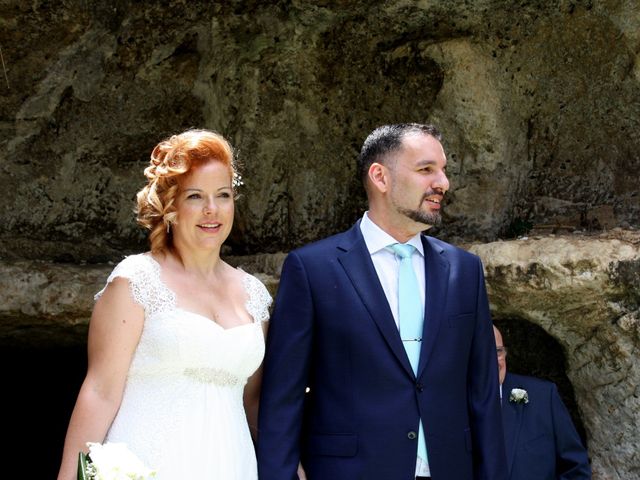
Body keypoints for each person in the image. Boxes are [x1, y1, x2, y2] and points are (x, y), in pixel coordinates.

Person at [258, 123, 507, 480]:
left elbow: (483, 393)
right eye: (426, 169)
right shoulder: (312, 269)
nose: (443, 183)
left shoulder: (464, 269)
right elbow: (283, 396)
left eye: (443, 169)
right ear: (380, 177)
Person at [57, 129, 272, 480]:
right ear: (170, 206)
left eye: (223, 195)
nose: (211, 210)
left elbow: (254, 403)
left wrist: (291, 465)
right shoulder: (136, 280)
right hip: (151, 464)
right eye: (194, 197)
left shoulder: (255, 294)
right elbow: (100, 392)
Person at [493, 325, 592, 479]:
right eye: (482, 353)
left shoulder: (542, 396)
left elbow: (576, 469)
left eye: (497, 352)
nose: (492, 361)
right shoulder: (450, 406)